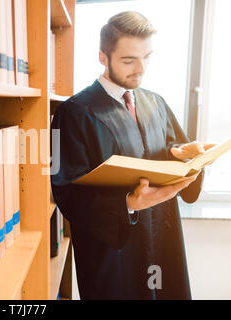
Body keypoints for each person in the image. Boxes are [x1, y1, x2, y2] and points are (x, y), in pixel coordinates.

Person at [50, 11, 215, 299]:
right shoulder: (73, 113)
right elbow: (65, 192)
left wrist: (182, 155)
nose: (141, 69)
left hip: (162, 239)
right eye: (129, 60)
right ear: (103, 56)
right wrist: (128, 203)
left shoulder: (156, 103)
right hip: (113, 255)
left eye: (147, 57)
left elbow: (168, 154)